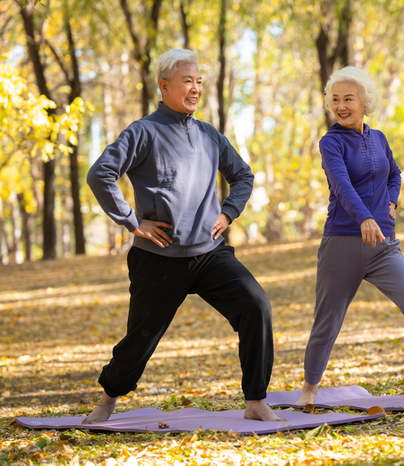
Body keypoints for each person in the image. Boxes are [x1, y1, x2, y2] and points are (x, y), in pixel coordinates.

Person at [84, 48, 283, 423]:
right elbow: (100, 174)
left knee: (256, 305)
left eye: (199, 82)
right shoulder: (143, 132)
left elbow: (242, 175)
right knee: (140, 339)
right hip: (158, 257)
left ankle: (255, 400)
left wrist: (228, 212)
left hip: (210, 254)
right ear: (164, 86)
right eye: (187, 81)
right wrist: (131, 220)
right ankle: (108, 400)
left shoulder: (210, 135)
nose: (195, 89)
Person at [296, 67, 404, 405]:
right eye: (335, 99)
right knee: (328, 319)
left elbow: (396, 172)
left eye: (349, 98)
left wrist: (391, 201)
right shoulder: (330, 142)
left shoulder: (379, 139)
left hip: (384, 245)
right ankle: (309, 390)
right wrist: (364, 218)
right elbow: (341, 184)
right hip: (343, 243)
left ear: (365, 103)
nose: (341, 105)